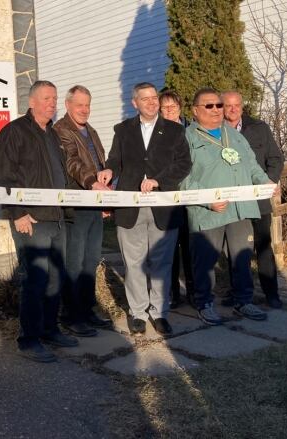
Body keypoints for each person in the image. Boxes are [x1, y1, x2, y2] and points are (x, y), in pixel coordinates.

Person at [97, 82, 191, 337]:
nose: (151, 102)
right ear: (134, 103)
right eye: (145, 98)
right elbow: (115, 159)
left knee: (161, 262)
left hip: (163, 207)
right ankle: (138, 313)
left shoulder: (174, 130)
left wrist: (159, 180)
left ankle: (159, 313)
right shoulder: (124, 130)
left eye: (154, 98)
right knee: (134, 262)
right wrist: (109, 170)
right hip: (130, 207)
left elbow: (184, 164)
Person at [0, 80, 79, 363]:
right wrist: (17, 212)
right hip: (31, 219)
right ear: (31, 102)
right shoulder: (14, 132)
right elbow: (4, 176)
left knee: (55, 277)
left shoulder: (52, 135)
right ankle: (28, 339)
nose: (51, 103)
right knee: (35, 279)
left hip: (56, 218)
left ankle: (49, 329)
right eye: (46, 98)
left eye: (54, 98)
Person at [181, 88, 279, 325]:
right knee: (205, 261)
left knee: (242, 257)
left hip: (240, 208)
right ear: (195, 111)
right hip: (209, 212)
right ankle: (205, 303)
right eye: (209, 106)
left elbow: (252, 165)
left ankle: (243, 301)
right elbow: (182, 178)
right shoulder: (187, 138)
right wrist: (208, 200)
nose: (216, 110)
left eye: (218, 105)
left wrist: (265, 182)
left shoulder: (234, 135)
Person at [53, 85, 113, 337]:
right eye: (79, 105)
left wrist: (106, 192)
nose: (85, 110)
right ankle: (71, 315)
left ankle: (87, 310)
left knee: (90, 261)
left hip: (94, 204)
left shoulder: (92, 131)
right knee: (74, 262)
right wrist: (93, 183)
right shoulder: (61, 131)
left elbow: (101, 161)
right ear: (67, 105)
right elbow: (73, 164)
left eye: (87, 104)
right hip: (76, 205)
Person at [222, 90, 285, 309]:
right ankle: (238, 292)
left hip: (258, 202)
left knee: (263, 247)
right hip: (233, 203)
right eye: (228, 105)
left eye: (236, 105)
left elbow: (275, 158)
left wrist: (271, 181)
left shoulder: (259, 128)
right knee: (236, 250)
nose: (232, 109)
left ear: (242, 106)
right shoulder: (215, 132)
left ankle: (271, 293)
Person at [159, 89, 194, 308]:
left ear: (180, 108)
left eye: (173, 106)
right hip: (168, 197)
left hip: (190, 196)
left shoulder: (192, 130)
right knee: (169, 248)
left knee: (190, 247)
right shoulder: (157, 133)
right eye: (165, 107)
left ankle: (193, 291)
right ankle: (172, 293)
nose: (169, 111)